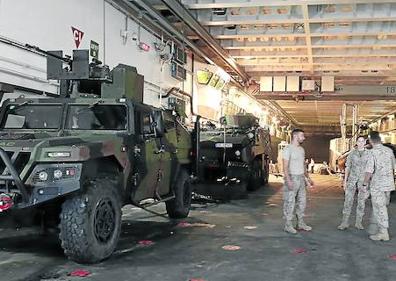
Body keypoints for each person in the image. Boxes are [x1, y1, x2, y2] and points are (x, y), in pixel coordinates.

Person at [362, 131, 395, 241]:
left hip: (378, 186)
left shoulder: (372, 153)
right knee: (382, 207)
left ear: (370, 141)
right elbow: (394, 166)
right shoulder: (389, 151)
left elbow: (369, 171)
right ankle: (376, 228)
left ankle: (383, 233)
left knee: (379, 209)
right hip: (388, 185)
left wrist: (364, 184)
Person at [282, 128, 314, 234]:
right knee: (290, 202)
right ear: (295, 136)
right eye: (302, 136)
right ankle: (288, 225)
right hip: (292, 177)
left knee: (302, 202)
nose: (303, 138)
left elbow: (303, 165)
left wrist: (308, 178)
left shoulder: (301, 149)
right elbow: (285, 167)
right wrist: (288, 180)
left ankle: (300, 223)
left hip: (301, 178)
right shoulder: (288, 149)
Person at [338, 136, 370, 230]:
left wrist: (367, 182)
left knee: (361, 202)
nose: (360, 143)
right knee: (348, 201)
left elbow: (370, 169)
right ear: (356, 142)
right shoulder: (352, 153)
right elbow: (347, 167)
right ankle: (344, 222)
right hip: (352, 179)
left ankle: (358, 222)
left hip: (363, 180)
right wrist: (345, 181)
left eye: (362, 141)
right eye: (358, 141)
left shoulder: (369, 154)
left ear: (365, 142)